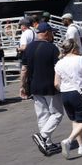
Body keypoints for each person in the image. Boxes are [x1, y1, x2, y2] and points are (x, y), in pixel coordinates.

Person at [21, 22, 64, 156]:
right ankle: (43, 136)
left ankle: (48, 144)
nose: (52, 35)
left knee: (42, 115)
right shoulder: (52, 48)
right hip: (50, 86)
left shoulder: (28, 48)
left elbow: (24, 69)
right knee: (57, 114)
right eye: (51, 32)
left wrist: (22, 86)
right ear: (46, 33)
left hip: (34, 86)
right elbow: (58, 69)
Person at [54, 39, 82, 159]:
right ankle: (69, 140)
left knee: (75, 121)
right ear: (74, 49)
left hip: (65, 94)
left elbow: (56, 83)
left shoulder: (59, 63)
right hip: (79, 93)